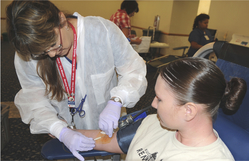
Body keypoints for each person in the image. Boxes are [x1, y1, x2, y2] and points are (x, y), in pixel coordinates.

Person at [6, 0, 147, 160]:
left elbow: (134, 70)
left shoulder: (101, 31)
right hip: (67, 139)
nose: (51, 54)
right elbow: (34, 102)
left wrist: (117, 99)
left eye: (53, 45)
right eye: (43, 52)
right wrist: (61, 131)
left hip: (107, 132)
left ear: (61, 20)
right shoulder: (28, 52)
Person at [76, 57, 247, 160]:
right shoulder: (156, 123)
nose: (153, 104)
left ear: (189, 110)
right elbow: (109, 140)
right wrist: (64, 131)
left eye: (160, 99)